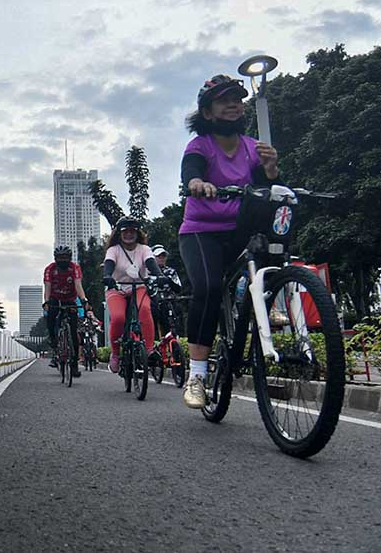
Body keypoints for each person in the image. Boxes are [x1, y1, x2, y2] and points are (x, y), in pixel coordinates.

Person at [178, 74, 279, 408]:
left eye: (237, 98)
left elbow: (269, 191)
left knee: (272, 239)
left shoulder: (253, 147)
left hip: (238, 230)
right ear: (207, 112)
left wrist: (271, 169)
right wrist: (196, 183)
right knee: (207, 289)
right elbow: (191, 171)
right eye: (223, 100)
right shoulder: (200, 147)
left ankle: (266, 299)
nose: (233, 104)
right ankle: (197, 376)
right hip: (200, 232)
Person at [101, 217, 168, 373]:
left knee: (145, 310)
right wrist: (107, 277)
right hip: (117, 288)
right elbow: (109, 264)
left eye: (133, 231)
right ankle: (116, 354)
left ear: (138, 233)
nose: (129, 234)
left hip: (139, 286)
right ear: (119, 234)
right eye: (125, 231)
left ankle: (150, 350)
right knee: (118, 318)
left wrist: (159, 275)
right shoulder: (114, 250)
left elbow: (151, 263)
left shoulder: (144, 249)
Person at [43, 246, 91, 377]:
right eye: (60, 258)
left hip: (70, 299)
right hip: (55, 298)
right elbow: (47, 286)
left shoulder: (74, 268)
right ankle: (54, 341)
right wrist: (46, 302)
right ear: (55, 259)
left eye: (65, 258)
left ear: (69, 258)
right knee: (51, 318)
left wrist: (83, 300)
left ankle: (74, 365)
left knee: (74, 332)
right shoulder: (50, 269)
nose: (62, 260)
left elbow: (78, 284)